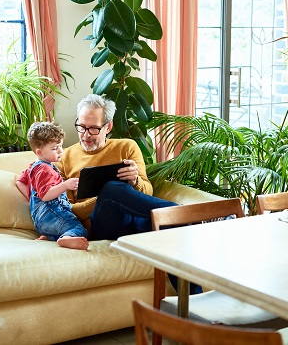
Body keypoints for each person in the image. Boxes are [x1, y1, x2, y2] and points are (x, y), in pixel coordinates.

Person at [59, 94, 202, 294]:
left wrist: (135, 181)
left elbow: (147, 190)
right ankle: (184, 213)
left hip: (133, 220)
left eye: (93, 128)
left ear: (108, 127)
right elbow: (67, 211)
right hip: (99, 226)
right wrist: (101, 198)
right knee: (111, 189)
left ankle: (193, 305)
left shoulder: (127, 147)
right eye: (81, 126)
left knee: (171, 228)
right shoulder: (65, 157)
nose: (85, 134)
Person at [16, 122, 89, 250]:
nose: (61, 151)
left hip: (40, 220)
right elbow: (45, 196)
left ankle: (50, 237)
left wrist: (33, 199)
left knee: (65, 226)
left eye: (61, 146)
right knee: (78, 228)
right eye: (55, 148)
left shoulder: (33, 167)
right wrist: (66, 185)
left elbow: (20, 182)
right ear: (39, 152)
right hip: (52, 214)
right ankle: (66, 239)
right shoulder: (45, 170)